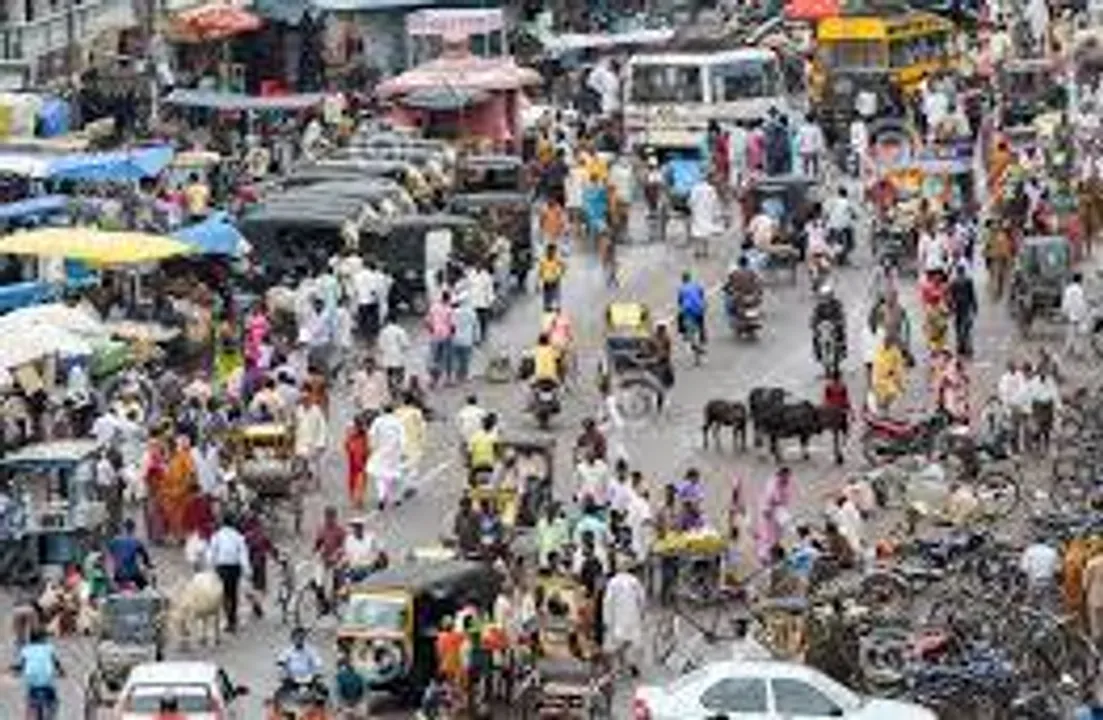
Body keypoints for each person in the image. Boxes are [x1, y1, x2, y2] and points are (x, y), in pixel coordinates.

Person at [207, 515, 252, 633]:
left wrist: (210, 568)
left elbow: (211, 553)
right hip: (234, 568)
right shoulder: (238, 537)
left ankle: (227, 619)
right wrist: (247, 570)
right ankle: (232, 620)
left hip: (221, 568)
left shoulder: (217, 536)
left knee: (224, 594)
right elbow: (243, 554)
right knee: (233, 594)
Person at [602, 559, 646, 677]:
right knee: (631, 642)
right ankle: (630, 664)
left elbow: (607, 601)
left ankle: (622, 666)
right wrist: (642, 613)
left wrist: (606, 619)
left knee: (618, 641)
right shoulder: (634, 581)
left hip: (617, 616)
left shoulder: (613, 582)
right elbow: (642, 599)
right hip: (633, 616)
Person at [17, 628, 63, 719]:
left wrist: (17, 670)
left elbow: (22, 665)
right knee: (53, 705)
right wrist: (61, 671)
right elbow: (56, 663)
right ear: (43, 639)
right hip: (47, 682)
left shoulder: (26, 649)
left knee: (31, 703)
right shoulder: (49, 648)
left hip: (32, 682)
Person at [367, 405, 406, 511]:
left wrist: (372, 447)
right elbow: (402, 438)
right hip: (394, 452)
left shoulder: (378, 421)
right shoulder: (398, 422)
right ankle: (394, 498)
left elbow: (372, 435)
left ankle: (381, 496)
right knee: (394, 475)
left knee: (380, 476)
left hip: (381, 450)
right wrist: (402, 452)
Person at [277, 627, 326, 703]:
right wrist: (282, 671)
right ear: (292, 639)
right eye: (298, 638)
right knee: (279, 694)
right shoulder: (287, 651)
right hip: (292, 678)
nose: (300, 640)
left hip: (309, 677)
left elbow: (317, 660)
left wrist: (318, 671)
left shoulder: (310, 650)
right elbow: (281, 661)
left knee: (323, 691)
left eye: (302, 637)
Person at [755, 467, 794, 564]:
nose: (786, 479)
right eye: (785, 476)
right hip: (769, 514)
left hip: (779, 513)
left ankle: (775, 552)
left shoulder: (787, 484)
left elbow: (786, 498)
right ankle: (765, 555)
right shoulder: (772, 485)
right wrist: (767, 509)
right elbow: (766, 498)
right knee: (767, 535)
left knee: (777, 534)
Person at [294, 395, 328, 490]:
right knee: (302, 463)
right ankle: (303, 482)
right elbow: (296, 424)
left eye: (307, 400)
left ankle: (317, 481)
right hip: (301, 440)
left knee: (315, 463)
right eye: (303, 400)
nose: (305, 402)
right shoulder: (299, 410)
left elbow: (322, 427)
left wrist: (321, 442)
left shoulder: (316, 411)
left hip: (314, 441)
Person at [108, 517, 152, 589]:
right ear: (133, 529)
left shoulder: (113, 541)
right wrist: (147, 564)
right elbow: (144, 555)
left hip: (118, 574)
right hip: (133, 574)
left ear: (123, 528)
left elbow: (111, 555)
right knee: (145, 588)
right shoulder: (135, 541)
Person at [810, 285, 846, 372]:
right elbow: (815, 317)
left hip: (834, 327)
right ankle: (818, 354)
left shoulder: (837, 304)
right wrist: (814, 324)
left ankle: (842, 350)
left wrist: (839, 322)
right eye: (824, 296)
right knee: (815, 338)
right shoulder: (819, 306)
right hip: (823, 328)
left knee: (841, 335)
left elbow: (841, 315)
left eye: (828, 295)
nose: (826, 298)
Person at [425, 291, 455, 387]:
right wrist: (452, 333)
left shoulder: (433, 307)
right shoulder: (449, 310)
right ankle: (448, 379)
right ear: (448, 299)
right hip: (446, 336)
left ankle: (433, 380)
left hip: (435, 336)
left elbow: (427, 321)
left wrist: (432, 331)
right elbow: (452, 325)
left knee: (435, 358)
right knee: (448, 358)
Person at [688, 170, 721, 257]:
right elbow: (715, 201)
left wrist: (691, 208)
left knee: (696, 232)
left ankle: (697, 251)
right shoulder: (711, 189)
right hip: (707, 211)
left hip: (698, 211)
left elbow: (692, 201)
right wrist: (716, 212)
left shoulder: (695, 188)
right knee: (706, 232)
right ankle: (705, 251)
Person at [948, 263, 978, 357]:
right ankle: (966, 344)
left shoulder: (953, 281)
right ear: (964, 271)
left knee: (958, 325)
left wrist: (951, 307)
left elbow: (951, 296)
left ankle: (960, 344)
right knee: (966, 325)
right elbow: (972, 294)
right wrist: (975, 306)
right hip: (966, 304)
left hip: (957, 305)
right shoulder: (968, 280)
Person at [376, 318, 411, 395]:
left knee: (389, 374)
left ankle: (391, 390)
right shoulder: (400, 331)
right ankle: (399, 387)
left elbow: (380, 346)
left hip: (388, 357)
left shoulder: (383, 331)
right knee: (400, 373)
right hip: (399, 356)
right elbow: (405, 344)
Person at [343, 517, 383, 582]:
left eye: (358, 526)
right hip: (354, 570)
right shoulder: (348, 540)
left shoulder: (370, 538)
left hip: (369, 570)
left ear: (362, 527)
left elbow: (380, 552)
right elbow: (347, 556)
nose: (356, 529)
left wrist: (378, 561)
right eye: (354, 526)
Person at [676, 271, 707, 349]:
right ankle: (702, 335)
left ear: (683, 279)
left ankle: (683, 332)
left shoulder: (682, 288)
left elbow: (680, 300)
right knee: (701, 320)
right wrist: (701, 303)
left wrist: (681, 305)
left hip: (688, 309)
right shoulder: (696, 285)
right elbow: (702, 294)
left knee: (679, 317)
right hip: (698, 308)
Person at [451, 300, 479, 383]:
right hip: (467, 340)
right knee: (466, 359)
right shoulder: (472, 313)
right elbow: (476, 326)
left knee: (456, 359)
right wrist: (477, 338)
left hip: (456, 339)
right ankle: (465, 376)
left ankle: (456, 375)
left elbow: (451, 325)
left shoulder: (455, 312)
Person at [467, 412, 499, 484]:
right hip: (489, 465)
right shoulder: (494, 437)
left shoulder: (475, 436)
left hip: (476, 465)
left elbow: (469, 452)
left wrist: (469, 464)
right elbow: (496, 451)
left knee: (470, 482)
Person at [344, 415, 369, 509]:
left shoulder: (361, 433)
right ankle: (357, 499)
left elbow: (347, 445)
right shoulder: (356, 432)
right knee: (358, 479)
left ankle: (357, 499)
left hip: (358, 458)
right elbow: (347, 444)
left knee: (357, 479)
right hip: (357, 458)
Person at [1063, 271, 1089, 359]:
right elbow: (1082, 304)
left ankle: (1069, 351)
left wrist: (1065, 312)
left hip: (1071, 314)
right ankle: (1078, 353)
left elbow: (1065, 302)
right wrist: (1084, 314)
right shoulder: (1080, 290)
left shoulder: (1068, 289)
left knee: (1071, 333)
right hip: (1079, 314)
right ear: (1080, 280)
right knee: (1081, 335)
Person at [538, 244, 566, 311]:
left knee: (556, 293)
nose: (551, 252)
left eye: (553, 251)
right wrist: (539, 281)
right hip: (546, 281)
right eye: (550, 251)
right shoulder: (543, 260)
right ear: (547, 251)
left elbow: (563, 266)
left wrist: (560, 273)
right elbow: (540, 271)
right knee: (547, 294)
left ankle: (557, 305)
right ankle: (547, 305)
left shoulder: (557, 259)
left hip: (555, 280)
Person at [1085, 550, 1103, 644]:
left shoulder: (1092, 563)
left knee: (1095, 620)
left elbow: (1086, 582)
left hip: (1094, 594)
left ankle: (1097, 642)